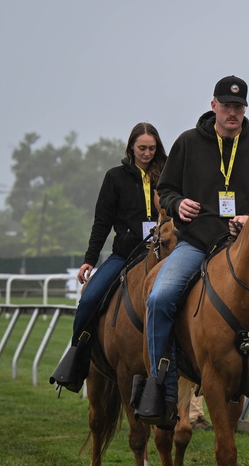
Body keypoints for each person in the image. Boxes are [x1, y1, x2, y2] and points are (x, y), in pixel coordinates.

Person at [134, 75, 249, 429]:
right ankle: (160, 386)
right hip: (197, 243)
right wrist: (177, 203)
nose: (232, 112)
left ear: (244, 110)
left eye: (238, 107)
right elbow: (166, 188)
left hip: (246, 250)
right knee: (160, 297)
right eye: (226, 105)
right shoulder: (187, 143)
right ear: (213, 105)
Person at [50, 123, 167, 392]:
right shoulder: (115, 177)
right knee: (90, 298)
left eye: (151, 148)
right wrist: (89, 259)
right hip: (125, 256)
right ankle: (76, 361)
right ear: (131, 148)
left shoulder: (168, 175)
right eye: (142, 148)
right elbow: (102, 222)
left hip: (163, 255)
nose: (147, 153)